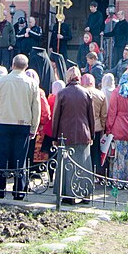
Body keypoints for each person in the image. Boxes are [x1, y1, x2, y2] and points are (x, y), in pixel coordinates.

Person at [0, 54, 41, 200]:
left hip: (4, 122)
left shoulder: (2, 81)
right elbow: (36, 108)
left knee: (2, 157)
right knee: (20, 158)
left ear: (12, 64)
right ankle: (19, 191)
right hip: (23, 123)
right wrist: (33, 128)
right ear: (26, 66)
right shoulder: (32, 83)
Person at [52, 66, 96, 204]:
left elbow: (56, 117)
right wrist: (92, 135)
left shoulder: (62, 94)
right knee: (83, 164)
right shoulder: (86, 93)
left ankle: (68, 195)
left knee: (67, 165)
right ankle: (85, 194)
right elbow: (91, 117)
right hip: (83, 133)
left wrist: (54, 137)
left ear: (68, 77)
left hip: (66, 134)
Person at [105, 69, 128, 184]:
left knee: (119, 157)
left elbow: (112, 112)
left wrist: (108, 128)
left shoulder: (116, 92)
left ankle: (117, 181)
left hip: (118, 126)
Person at [79, 72, 108, 178]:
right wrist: (104, 127)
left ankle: (83, 173)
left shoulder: (81, 93)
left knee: (83, 151)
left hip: (84, 126)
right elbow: (104, 114)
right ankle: (95, 174)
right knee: (95, 152)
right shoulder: (100, 94)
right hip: (97, 127)